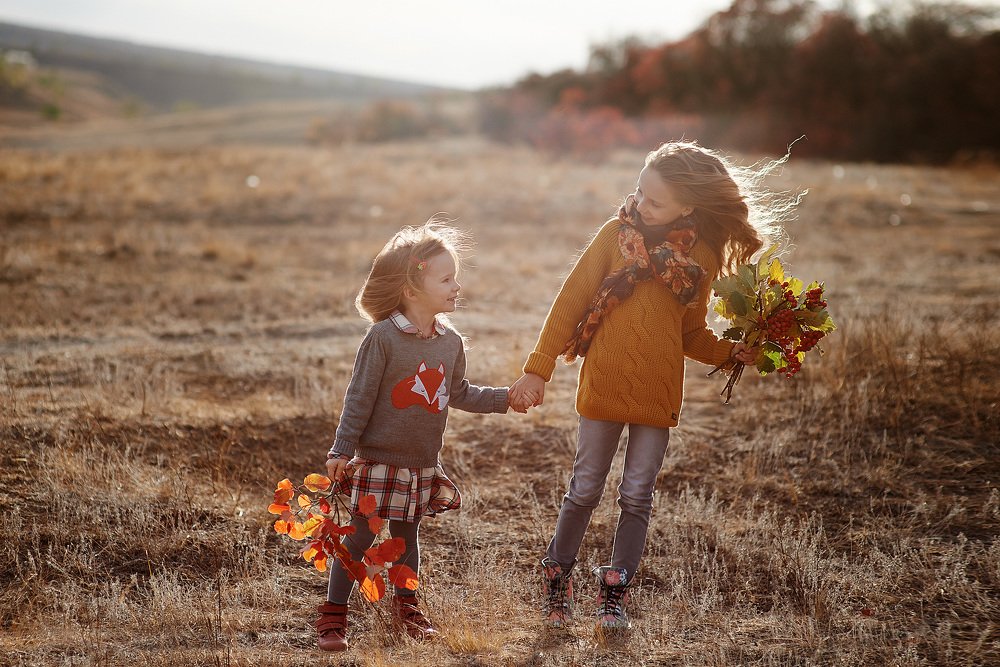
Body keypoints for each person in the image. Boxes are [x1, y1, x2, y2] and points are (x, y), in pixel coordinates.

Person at [509, 140, 792, 631]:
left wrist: (731, 352)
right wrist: (538, 368)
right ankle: (558, 577)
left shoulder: (698, 256)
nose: (641, 205)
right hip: (603, 387)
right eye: (640, 193)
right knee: (585, 488)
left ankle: (613, 593)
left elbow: (691, 334)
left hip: (658, 394)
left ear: (689, 206)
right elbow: (568, 305)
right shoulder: (615, 238)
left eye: (656, 201)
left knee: (638, 495)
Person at [316, 221, 536, 652]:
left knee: (406, 539)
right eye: (446, 278)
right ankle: (332, 617)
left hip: (420, 463)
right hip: (379, 460)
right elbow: (359, 398)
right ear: (412, 290)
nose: (457, 286)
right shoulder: (382, 339)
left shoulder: (450, 342)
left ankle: (408, 609)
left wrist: (506, 398)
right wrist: (341, 449)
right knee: (358, 537)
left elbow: (458, 393)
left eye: (455, 277)